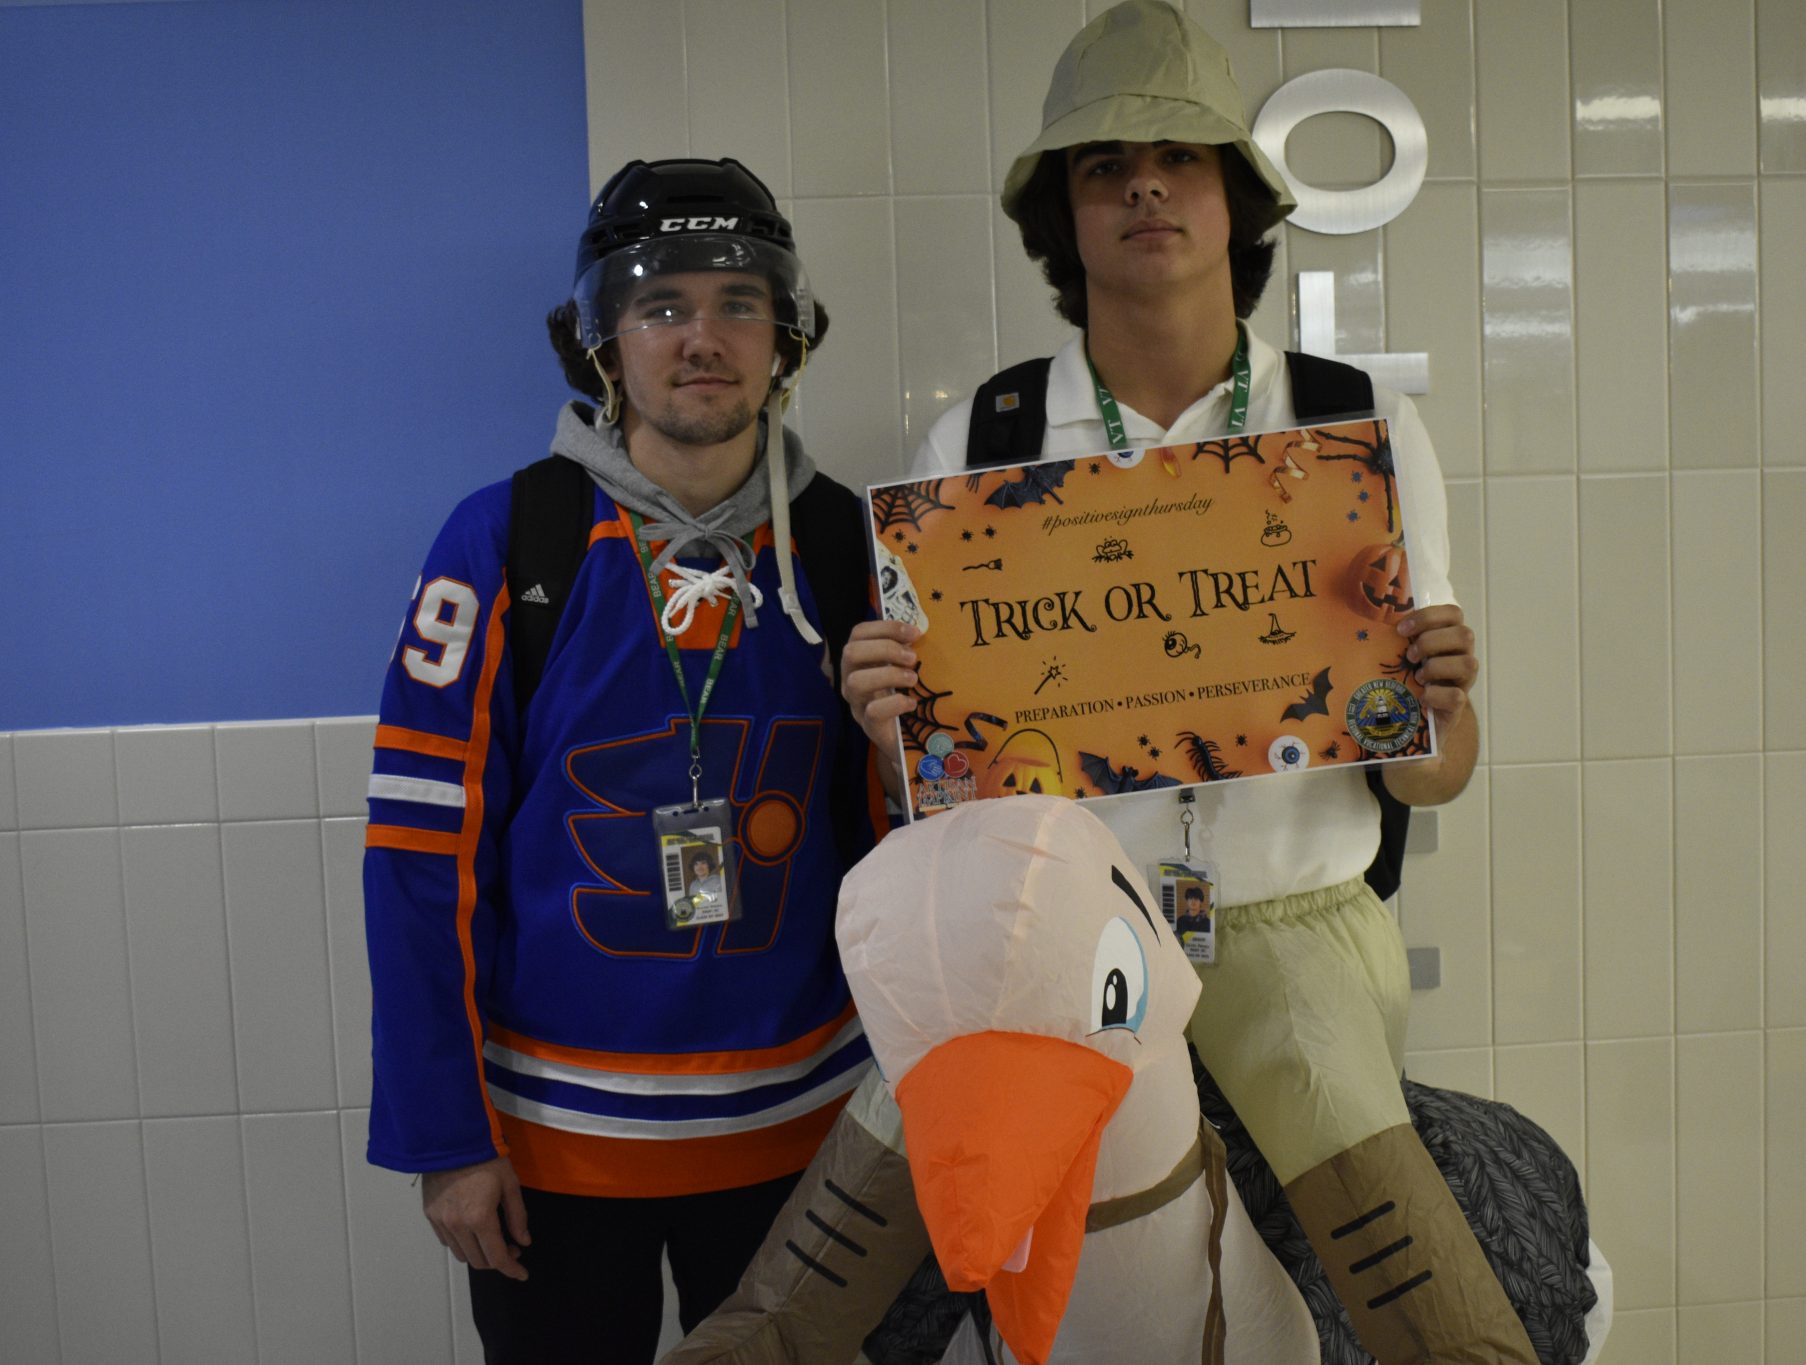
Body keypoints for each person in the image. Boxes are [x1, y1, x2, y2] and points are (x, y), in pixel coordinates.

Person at [843, 5, 1534, 1362]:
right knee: (873, 1174)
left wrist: (1441, 708)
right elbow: (947, 803)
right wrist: (892, 724)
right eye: (1104, 166)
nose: (1144, 189)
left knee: (1394, 1234)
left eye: (1179, 159)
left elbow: (1429, 773)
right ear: (1063, 215)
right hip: (1057, 927)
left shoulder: (1350, 425)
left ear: (1238, 201)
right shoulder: (980, 440)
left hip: (1298, 916)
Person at [363, 156, 882, 1365]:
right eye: (661, 306)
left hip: (802, 1132)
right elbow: (419, 856)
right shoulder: (506, 538)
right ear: (601, 340)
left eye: (739, 301)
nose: (703, 338)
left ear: (787, 333)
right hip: (555, 1145)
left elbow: (920, 843)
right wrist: (447, 1135)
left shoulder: (851, 544)